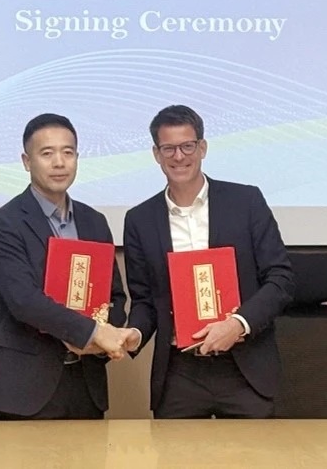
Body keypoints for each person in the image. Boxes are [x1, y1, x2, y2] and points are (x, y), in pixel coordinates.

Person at [122, 104, 294, 418]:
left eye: (187, 146)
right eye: (168, 148)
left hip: (245, 367)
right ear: (156, 154)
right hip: (180, 373)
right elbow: (145, 300)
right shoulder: (140, 220)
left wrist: (237, 325)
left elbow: (280, 279)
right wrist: (134, 333)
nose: (179, 156)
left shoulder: (246, 202)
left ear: (202, 148)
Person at [0, 113, 134, 419]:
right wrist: (90, 333)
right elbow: (23, 300)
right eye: (47, 153)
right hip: (27, 388)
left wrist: (103, 338)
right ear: (27, 161)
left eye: (68, 152)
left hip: (86, 384)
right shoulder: (5, 223)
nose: (59, 163)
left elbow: (114, 295)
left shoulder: (94, 221)